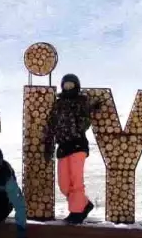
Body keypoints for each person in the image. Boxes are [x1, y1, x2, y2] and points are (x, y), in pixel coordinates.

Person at [41, 73, 100, 224]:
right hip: (62, 147)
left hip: (78, 144)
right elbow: (51, 126)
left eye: (71, 85)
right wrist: (48, 146)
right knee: (64, 184)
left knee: (76, 181)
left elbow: (85, 123)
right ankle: (84, 204)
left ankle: (76, 213)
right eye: (65, 85)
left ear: (76, 86)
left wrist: (87, 113)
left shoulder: (82, 101)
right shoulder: (58, 104)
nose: (68, 88)